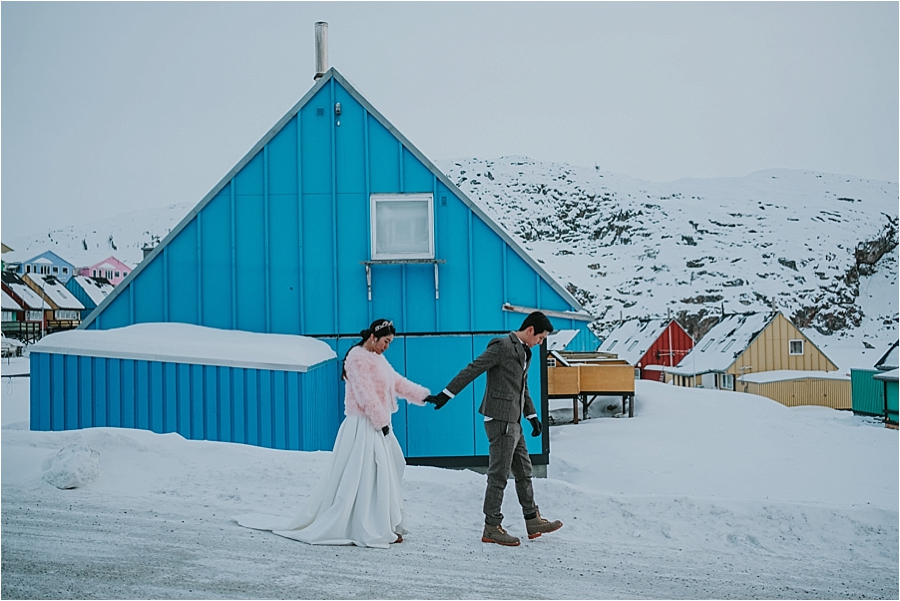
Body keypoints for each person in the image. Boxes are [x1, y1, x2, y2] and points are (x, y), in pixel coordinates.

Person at [234, 318, 434, 548]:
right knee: (364, 475)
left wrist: (422, 396)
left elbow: (395, 381)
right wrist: (381, 422)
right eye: (386, 341)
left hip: (377, 424)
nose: (387, 346)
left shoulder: (377, 358)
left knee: (385, 471)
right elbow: (364, 394)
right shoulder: (357, 358)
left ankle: (384, 524)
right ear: (373, 337)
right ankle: (367, 526)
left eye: (390, 342)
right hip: (363, 425)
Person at [424, 311, 563, 547]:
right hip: (499, 420)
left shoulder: (524, 352)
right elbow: (473, 369)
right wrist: (446, 395)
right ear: (530, 330)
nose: (540, 343)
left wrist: (532, 416)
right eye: (540, 338)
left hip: (514, 420)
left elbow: (522, 387)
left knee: (524, 471)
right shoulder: (502, 345)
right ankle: (491, 526)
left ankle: (532, 519)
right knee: (499, 474)